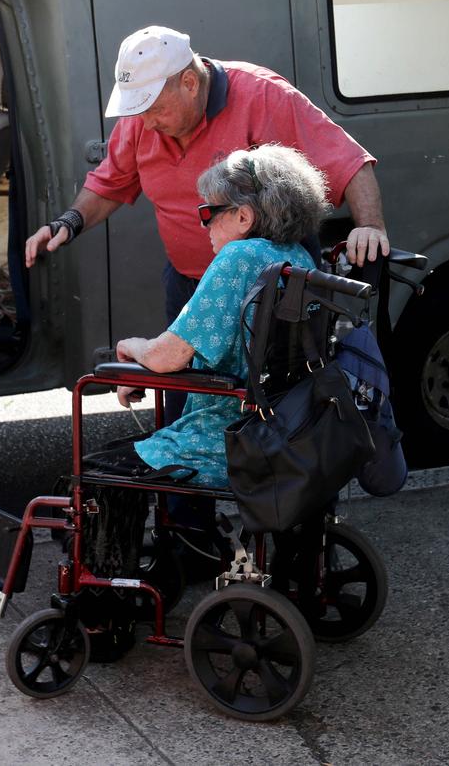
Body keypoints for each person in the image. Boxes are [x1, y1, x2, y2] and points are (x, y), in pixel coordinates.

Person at [25, 25, 390, 423]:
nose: (146, 123)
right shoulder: (143, 118)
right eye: (139, 110)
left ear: (189, 82)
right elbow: (111, 181)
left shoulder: (262, 95)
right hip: (190, 283)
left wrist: (369, 226)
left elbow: (349, 162)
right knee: (192, 407)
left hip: (272, 295)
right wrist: (70, 221)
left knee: (280, 415)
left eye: (155, 109)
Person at [78, 143, 330, 658]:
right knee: (129, 451)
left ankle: (104, 620)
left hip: (223, 437)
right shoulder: (296, 257)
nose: (203, 226)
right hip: (281, 429)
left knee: (100, 469)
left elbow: (170, 356)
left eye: (208, 213)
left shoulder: (240, 258)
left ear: (243, 215)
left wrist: (128, 352)